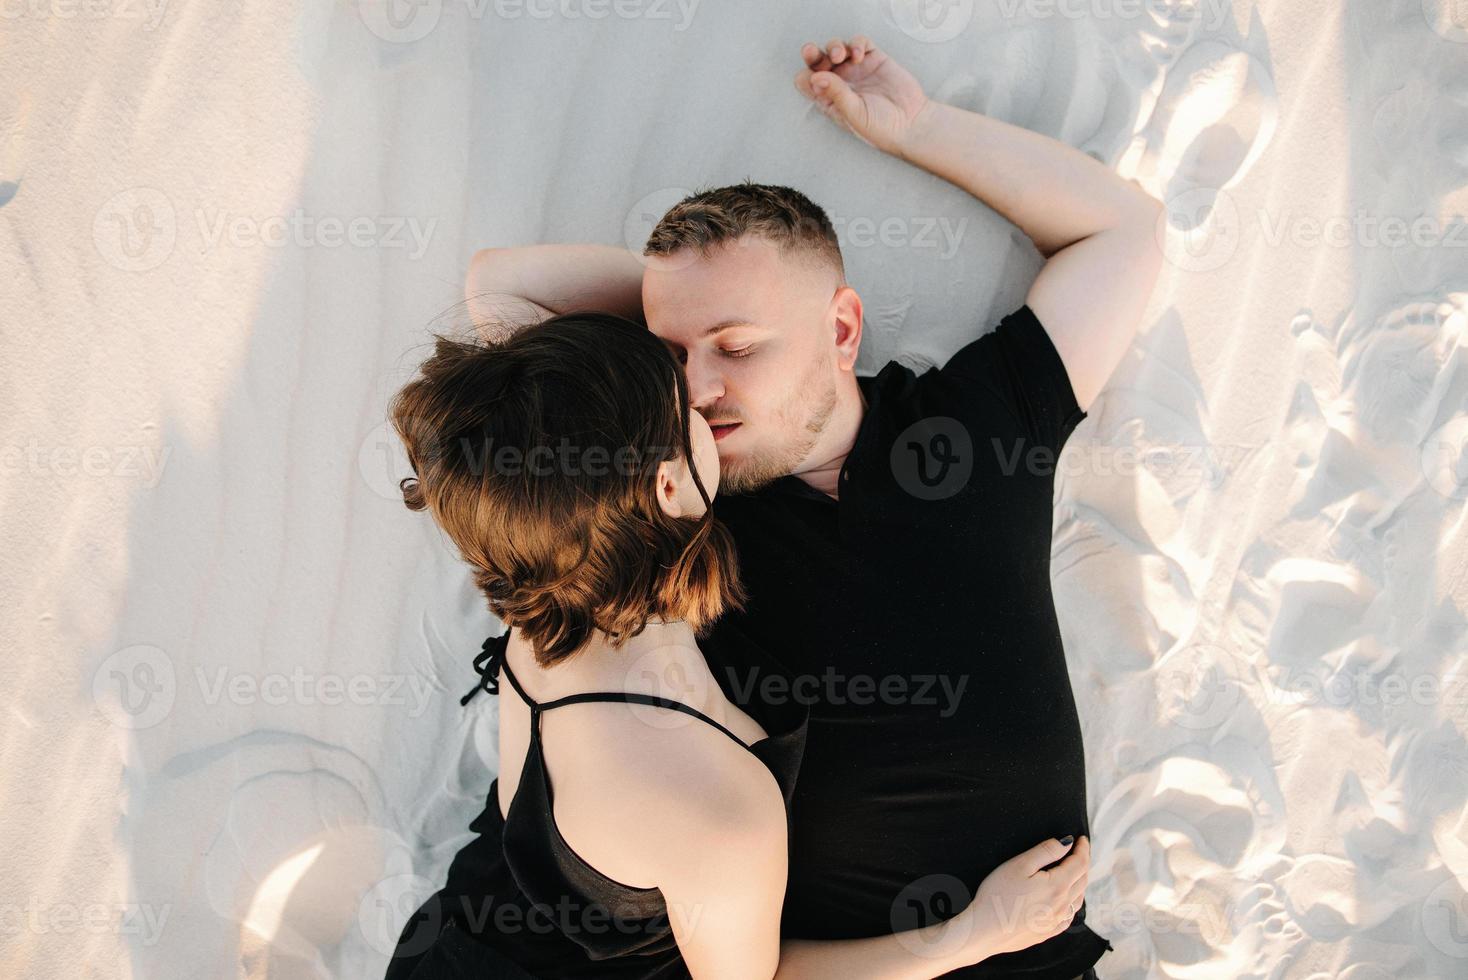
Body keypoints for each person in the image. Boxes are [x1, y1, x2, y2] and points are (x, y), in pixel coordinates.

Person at [383, 313, 1095, 979]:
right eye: (683, 410)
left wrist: (749, 310)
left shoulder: (545, 569)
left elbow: (502, 283)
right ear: (667, 483)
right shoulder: (713, 801)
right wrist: (980, 931)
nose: (705, 401)